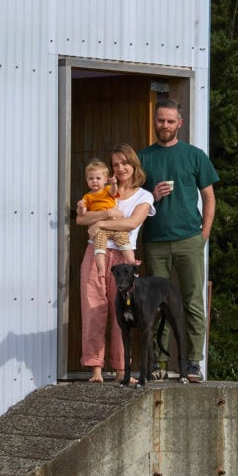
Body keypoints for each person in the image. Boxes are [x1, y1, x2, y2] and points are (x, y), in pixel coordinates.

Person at [139, 99, 218, 383]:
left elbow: (209, 196)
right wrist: (153, 196)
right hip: (155, 241)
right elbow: (130, 198)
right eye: (161, 120)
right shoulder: (143, 158)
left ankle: (193, 363)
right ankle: (157, 362)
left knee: (192, 301)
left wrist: (203, 235)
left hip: (189, 240)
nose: (165, 125)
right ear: (155, 121)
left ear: (179, 124)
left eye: (171, 121)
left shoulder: (195, 156)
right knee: (155, 305)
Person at [76, 144, 154, 383]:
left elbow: (132, 223)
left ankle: (122, 370)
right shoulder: (102, 190)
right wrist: (102, 218)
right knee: (93, 311)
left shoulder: (144, 196)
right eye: (116, 164)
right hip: (96, 252)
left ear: (133, 165)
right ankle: (95, 369)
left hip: (123, 257)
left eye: (124, 163)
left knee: (123, 312)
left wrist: (98, 225)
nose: (120, 168)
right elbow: (82, 219)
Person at [79, 159, 136, 281]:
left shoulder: (107, 190)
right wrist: (80, 207)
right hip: (101, 230)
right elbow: (82, 215)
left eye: (98, 178)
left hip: (114, 225)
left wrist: (114, 184)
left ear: (105, 180)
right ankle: (101, 268)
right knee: (99, 247)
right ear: (87, 181)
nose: (94, 181)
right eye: (91, 179)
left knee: (124, 241)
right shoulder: (87, 196)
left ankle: (131, 261)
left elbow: (114, 192)